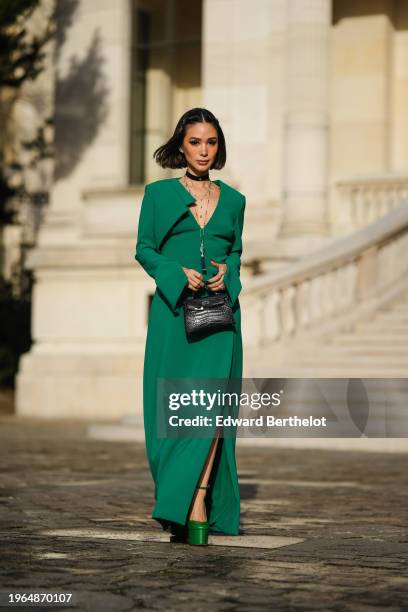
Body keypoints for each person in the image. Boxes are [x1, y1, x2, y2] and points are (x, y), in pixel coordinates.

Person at [134, 107, 246, 545]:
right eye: (196, 141)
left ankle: (197, 500)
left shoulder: (235, 200)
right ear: (181, 144)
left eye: (211, 142)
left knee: (214, 410)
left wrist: (227, 272)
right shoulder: (158, 195)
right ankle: (175, 495)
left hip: (220, 318)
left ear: (219, 147)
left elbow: (236, 252)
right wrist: (175, 273)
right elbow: (144, 249)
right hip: (174, 316)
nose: (204, 150)